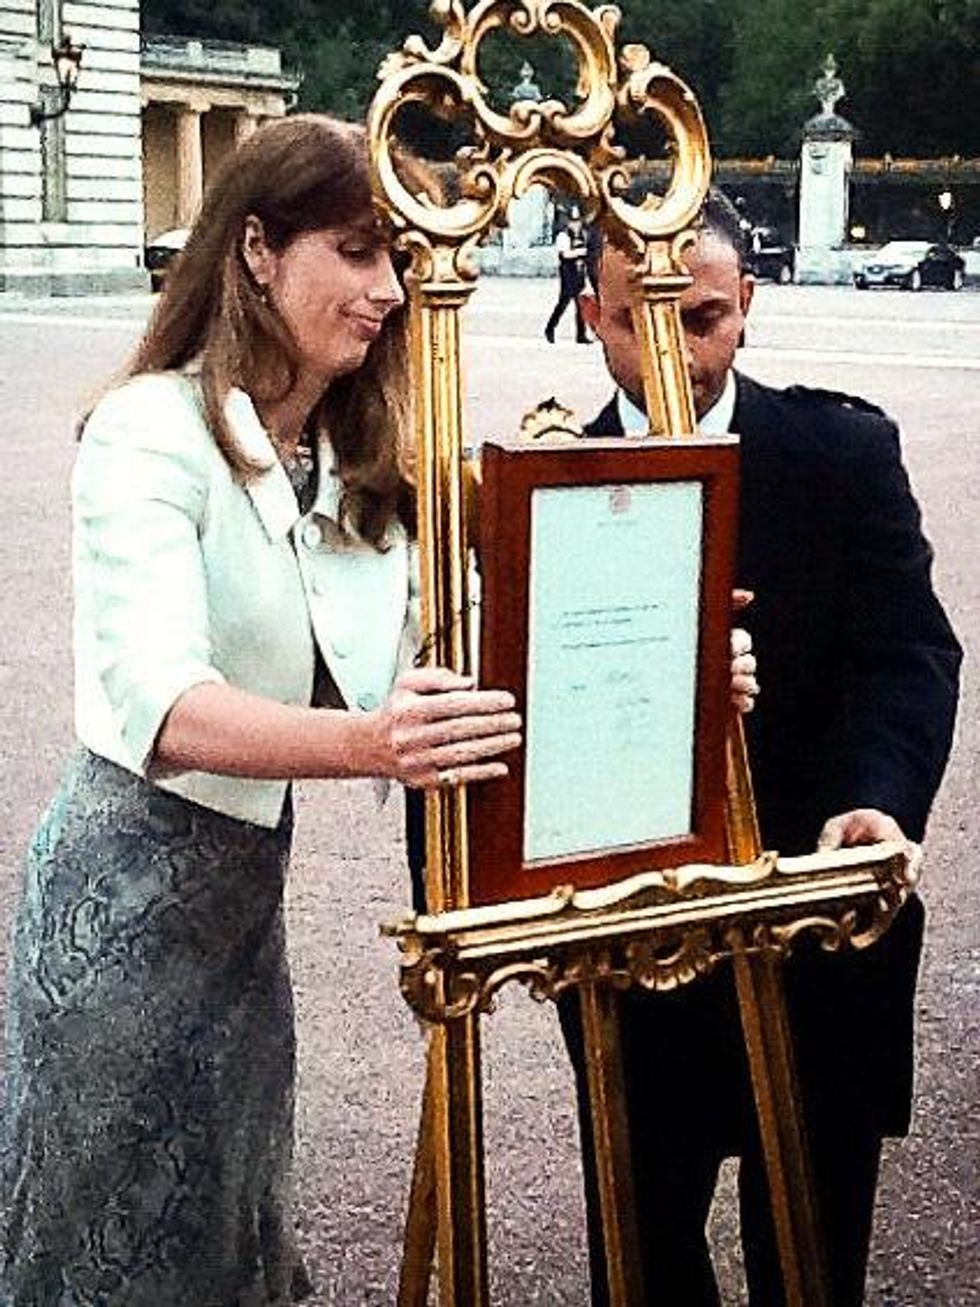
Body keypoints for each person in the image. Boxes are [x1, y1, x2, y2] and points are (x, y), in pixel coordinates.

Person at [0, 115, 523, 1306]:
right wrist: (371, 742)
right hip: (118, 906)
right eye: (355, 252)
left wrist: (680, 668)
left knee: (232, 1227)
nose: (389, 289)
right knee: (113, 1247)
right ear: (255, 250)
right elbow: (165, 703)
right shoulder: (148, 429)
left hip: (242, 909)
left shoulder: (352, 458)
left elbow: (447, 646)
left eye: (396, 258)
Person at [560, 192, 962, 1305]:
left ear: (746, 309)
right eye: (641, 321)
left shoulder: (839, 451)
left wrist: (879, 799)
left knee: (814, 1253)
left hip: (819, 912)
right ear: (594, 315)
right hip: (633, 936)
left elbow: (907, 651)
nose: (676, 353)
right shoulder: (544, 486)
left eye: (701, 320)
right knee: (642, 1250)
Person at [544, 213, 590, 344]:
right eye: (573, 222)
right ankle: (550, 328)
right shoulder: (563, 236)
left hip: (579, 272)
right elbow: (565, 254)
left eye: (578, 222)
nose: (576, 225)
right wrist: (582, 252)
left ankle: (581, 334)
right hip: (568, 272)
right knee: (563, 303)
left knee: (581, 305)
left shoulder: (582, 235)